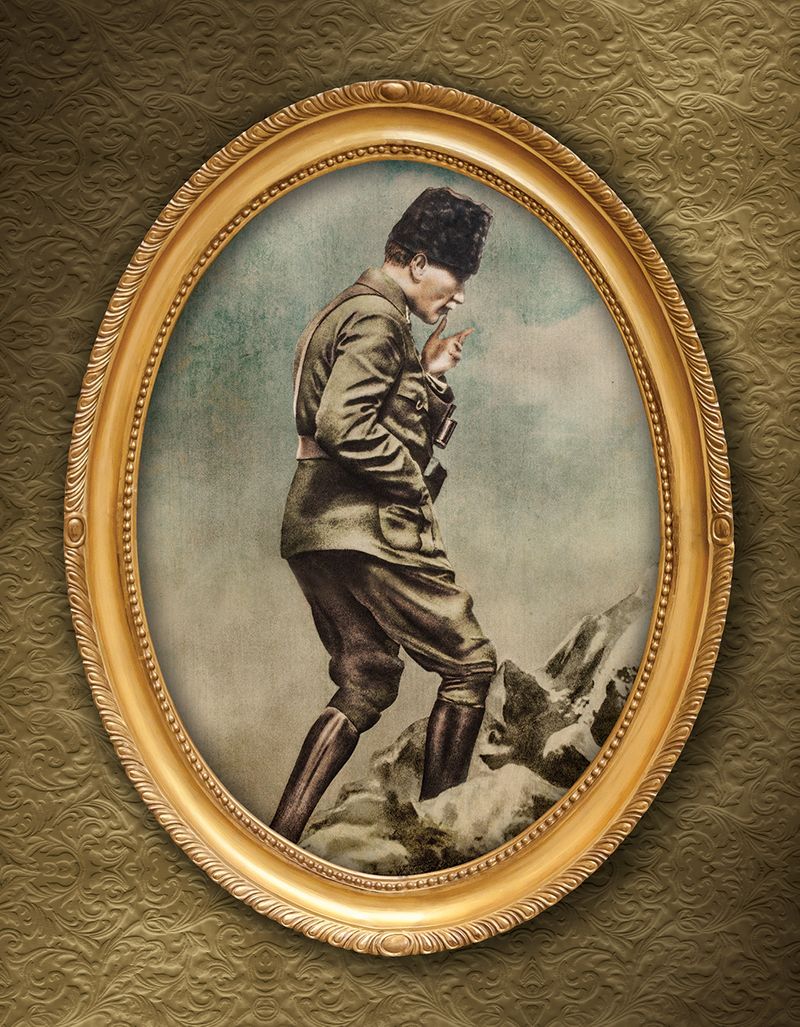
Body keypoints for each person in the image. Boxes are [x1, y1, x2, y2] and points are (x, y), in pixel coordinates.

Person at [270, 186, 497, 844]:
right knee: (468, 664)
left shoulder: (348, 308)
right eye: (455, 277)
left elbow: (364, 410)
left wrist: (427, 374)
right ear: (418, 262)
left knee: (366, 680)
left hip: (315, 527)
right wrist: (411, 484)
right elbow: (344, 424)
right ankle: (438, 842)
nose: (458, 297)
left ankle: (279, 836)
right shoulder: (379, 318)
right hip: (364, 527)